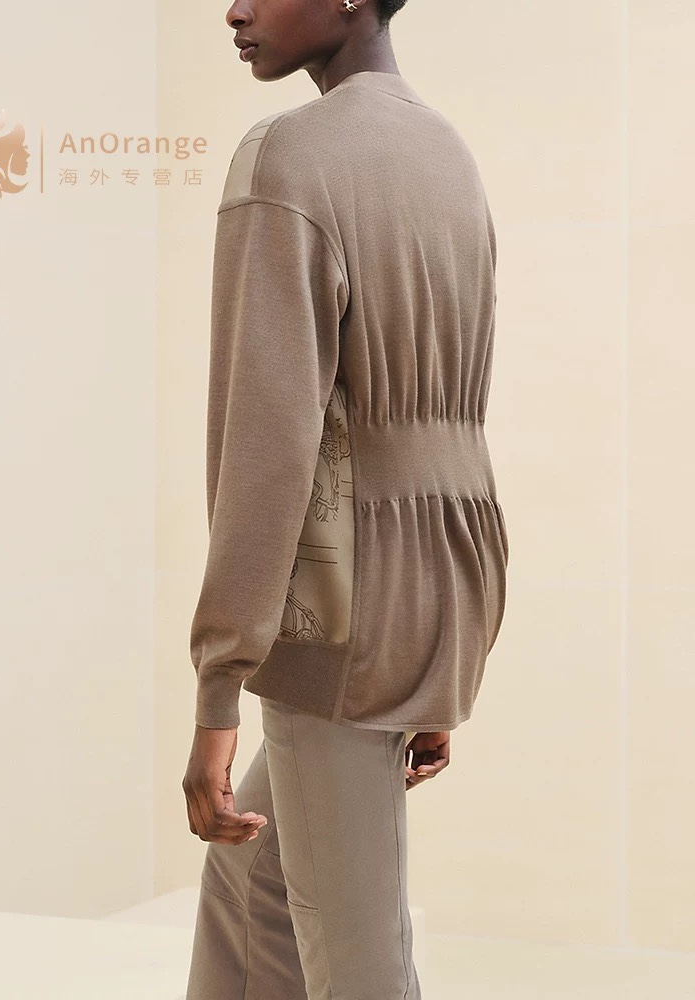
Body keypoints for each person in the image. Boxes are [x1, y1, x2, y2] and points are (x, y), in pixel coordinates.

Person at [181, 0, 509, 996]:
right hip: (442, 587)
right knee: (251, 881)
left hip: (340, 607)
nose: (235, 9)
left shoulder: (288, 154)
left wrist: (219, 686)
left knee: (359, 962)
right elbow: (448, 414)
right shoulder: (448, 151)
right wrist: (436, 663)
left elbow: (264, 447)